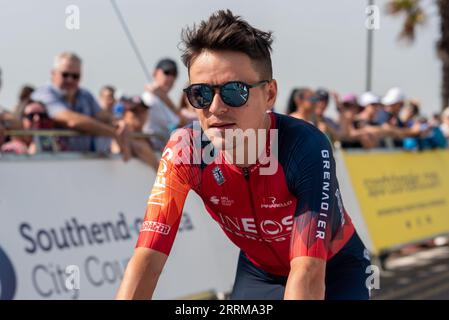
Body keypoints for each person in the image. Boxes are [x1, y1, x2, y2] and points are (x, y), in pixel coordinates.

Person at [116, 10, 371, 300]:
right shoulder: (186, 150)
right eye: (200, 93)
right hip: (260, 272)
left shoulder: (304, 145)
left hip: (334, 267)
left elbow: (309, 271)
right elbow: (147, 261)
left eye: (234, 91)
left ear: (270, 94)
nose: (215, 107)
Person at [31, 52, 130, 158]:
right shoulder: (43, 94)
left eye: (75, 76)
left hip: (84, 162)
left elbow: (102, 115)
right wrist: (113, 133)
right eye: (65, 75)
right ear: (53, 73)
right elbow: (72, 120)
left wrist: (118, 122)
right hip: (53, 162)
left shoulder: (85, 94)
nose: (70, 79)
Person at [142, 58, 187, 151]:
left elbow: (183, 123)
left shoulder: (163, 101)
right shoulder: (150, 99)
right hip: (154, 152)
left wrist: (164, 97)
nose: (170, 78)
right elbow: (180, 124)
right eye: (167, 72)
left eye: (174, 74)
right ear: (155, 73)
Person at [111, 96, 159, 170]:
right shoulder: (117, 133)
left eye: (143, 110)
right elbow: (118, 153)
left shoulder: (150, 138)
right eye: (134, 111)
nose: (139, 114)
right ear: (125, 114)